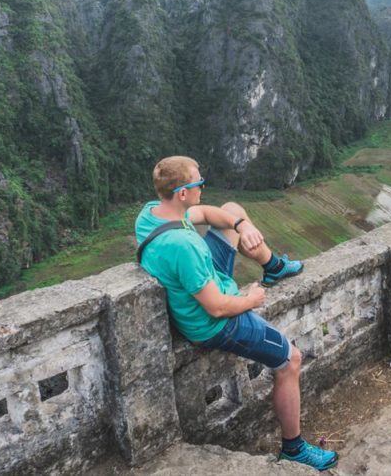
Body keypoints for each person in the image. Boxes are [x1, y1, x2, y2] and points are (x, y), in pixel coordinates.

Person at [135, 155, 338, 471]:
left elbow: (203, 213)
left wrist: (242, 225)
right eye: (199, 183)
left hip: (202, 279)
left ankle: (272, 265)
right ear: (183, 193)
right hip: (213, 323)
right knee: (290, 360)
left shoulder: (152, 214)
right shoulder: (183, 246)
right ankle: (294, 448)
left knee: (232, 211)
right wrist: (251, 299)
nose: (204, 187)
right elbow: (216, 306)